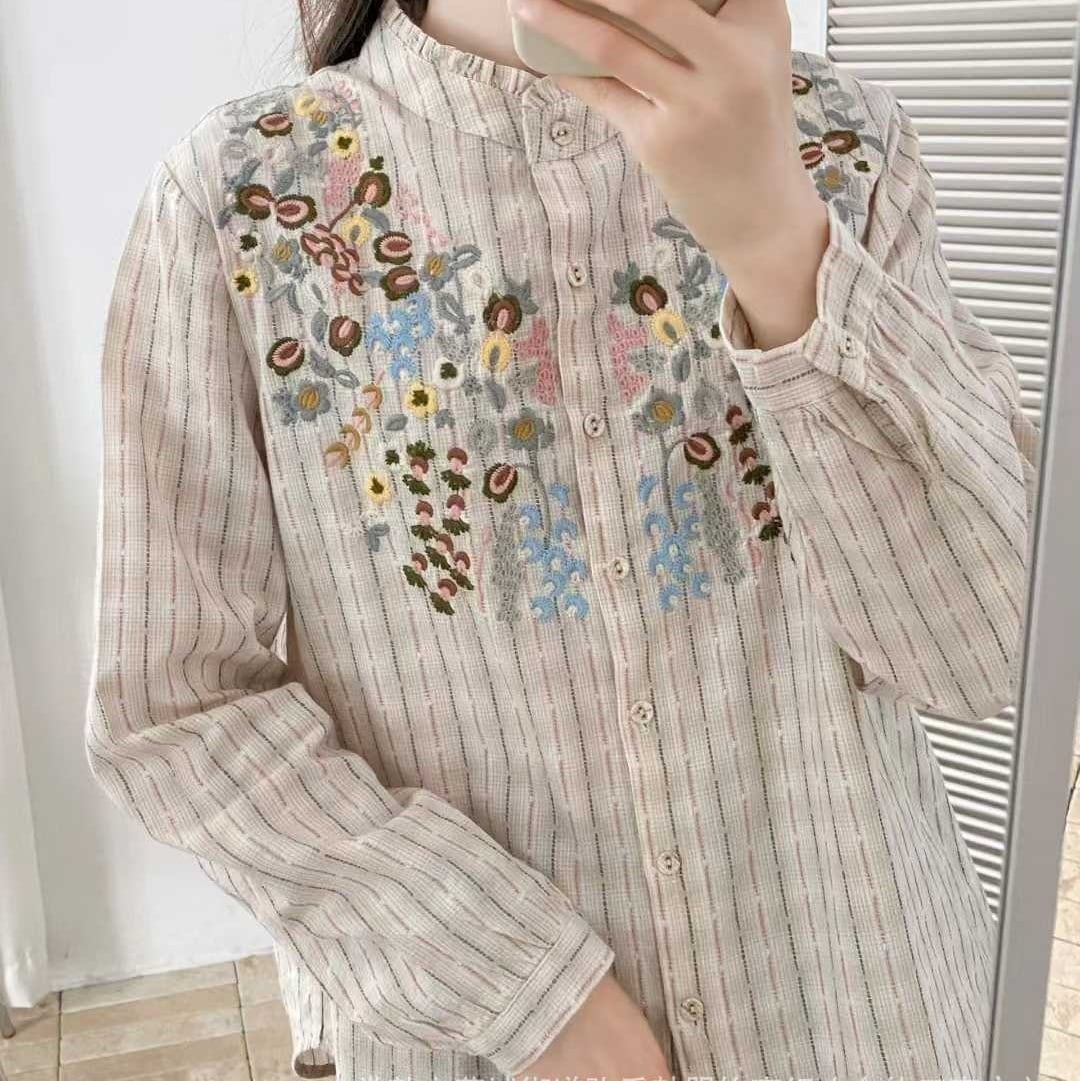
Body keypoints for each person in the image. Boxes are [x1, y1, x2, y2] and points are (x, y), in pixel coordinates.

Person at [84, 0, 1040, 1078]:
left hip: (875, 1019)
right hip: (469, 1051)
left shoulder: (845, 142)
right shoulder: (240, 201)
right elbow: (176, 704)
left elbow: (980, 652)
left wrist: (779, 238)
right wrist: (524, 991)